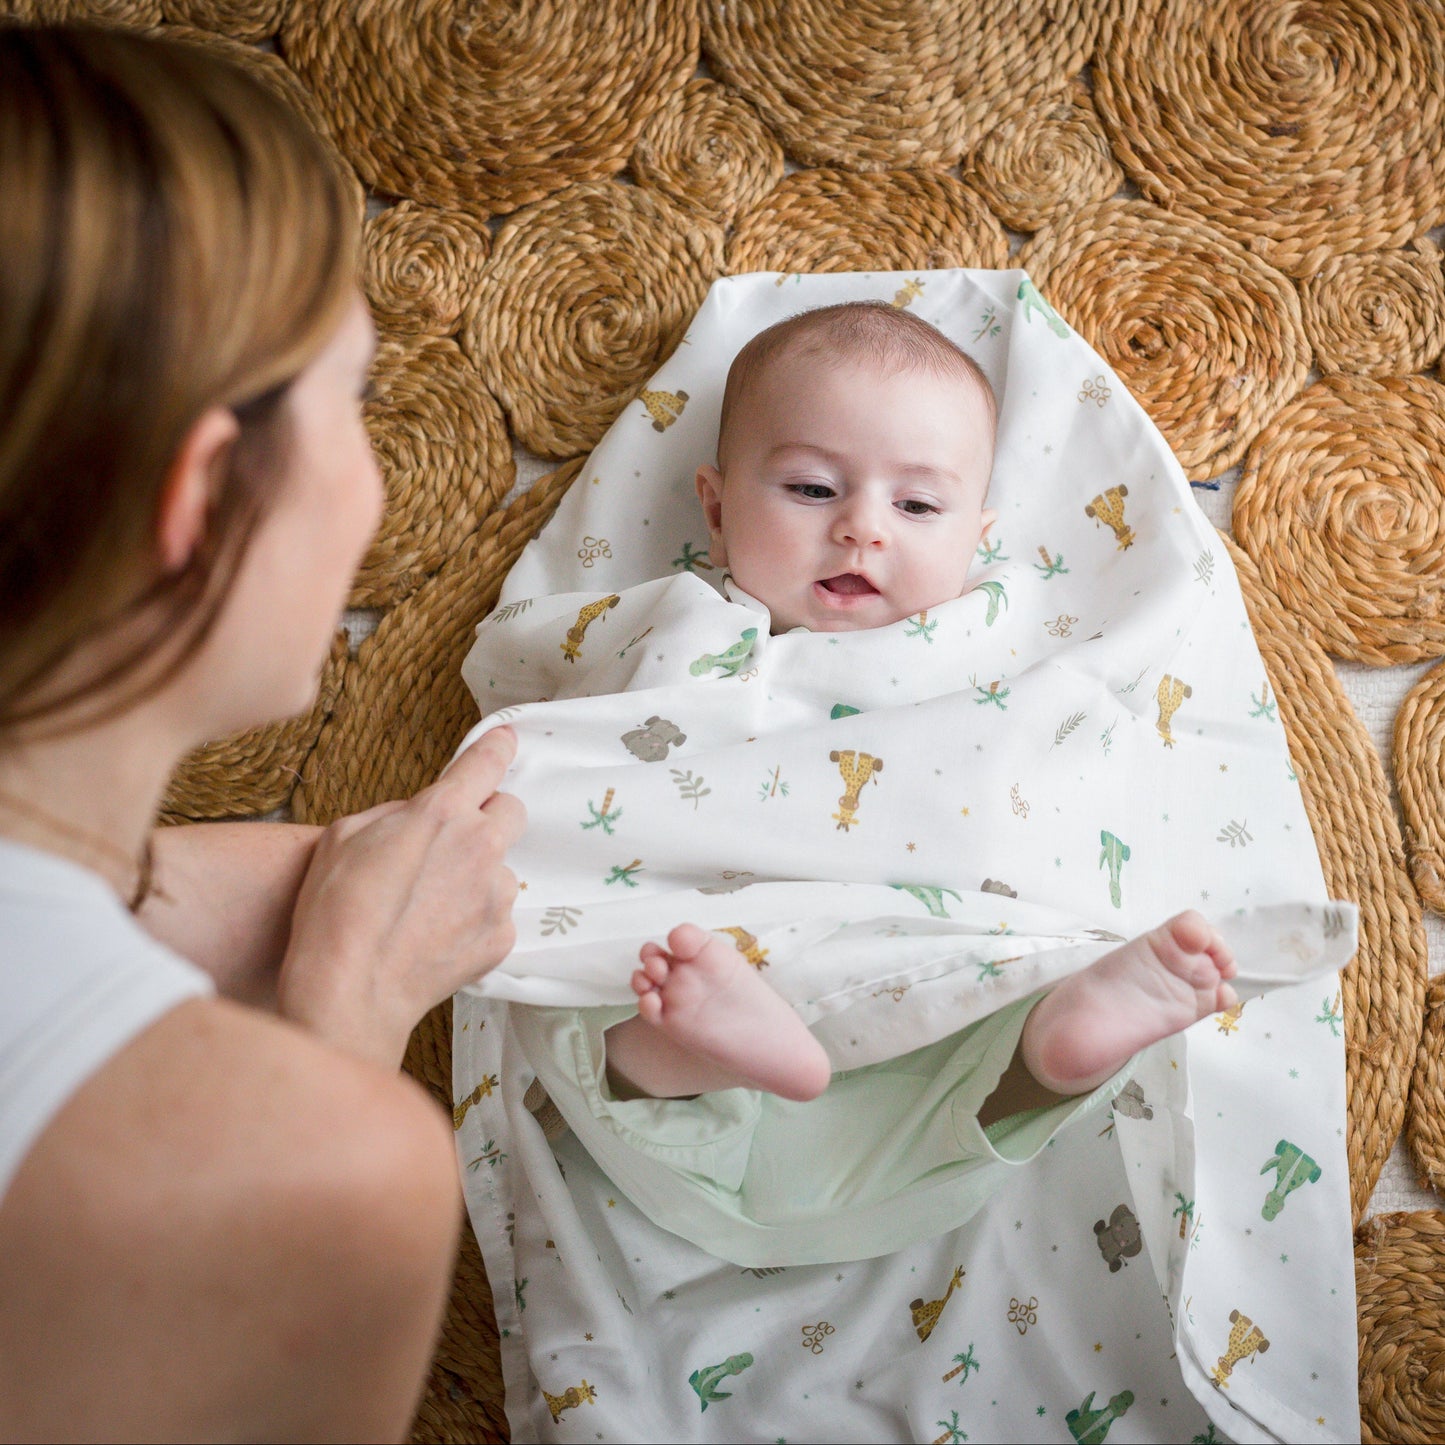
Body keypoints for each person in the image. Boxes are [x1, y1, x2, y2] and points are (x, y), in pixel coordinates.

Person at [0, 25, 523, 1441]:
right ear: (204, 497)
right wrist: (343, 1010)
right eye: (348, 398)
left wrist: (140, 887)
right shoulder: (324, 1178)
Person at [600, 302, 1240, 1126]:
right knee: (602, 1015)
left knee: (1029, 970)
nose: (860, 527)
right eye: (811, 488)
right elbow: (587, 765)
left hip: (943, 953)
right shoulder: (689, 628)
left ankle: (1061, 1034)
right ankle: (692, 1049)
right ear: (716, 513)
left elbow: (1059, 762)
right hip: (728, 959)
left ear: (976, 540)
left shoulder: (995, 638)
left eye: (917, 507)